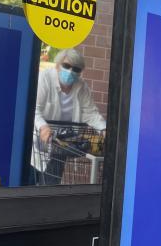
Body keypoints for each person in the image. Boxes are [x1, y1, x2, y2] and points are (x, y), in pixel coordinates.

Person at [32, 48, 106, 185]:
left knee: (50, 188)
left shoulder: (81, 86)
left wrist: (104, 128)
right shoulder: (45, 78)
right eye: (66, 66)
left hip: (60, 144)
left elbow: (90, 113)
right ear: (57, 65)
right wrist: (42, 126)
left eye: (76, 69)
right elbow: (34, 109)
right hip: (37, 142)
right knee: (29, 185)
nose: (71, 71)